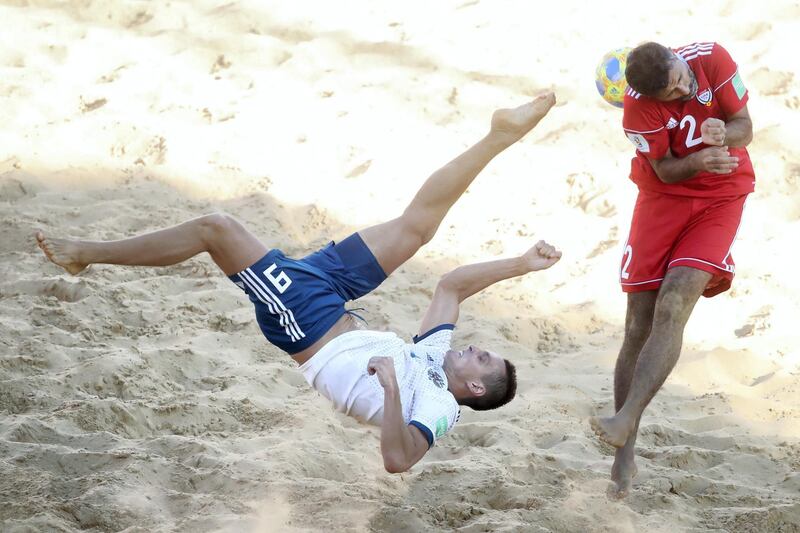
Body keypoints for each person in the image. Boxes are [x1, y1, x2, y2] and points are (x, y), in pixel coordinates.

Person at [36, 92, 562, 473]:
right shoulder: (436, 356)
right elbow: (450, 286)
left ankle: (85, 255)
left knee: (215, 229)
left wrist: (394, 387)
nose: (476, 348)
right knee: (415, 229)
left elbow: (398, 460)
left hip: (307, 324)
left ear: (473, 388)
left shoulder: (441, 407)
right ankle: (499, 136)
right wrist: (520, 263)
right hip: (332, 294)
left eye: (483, 359)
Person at [589, 41, 754, 498]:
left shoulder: (712, 59)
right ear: (649, 96)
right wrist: (698, 159)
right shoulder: (636, 110)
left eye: (682, 77)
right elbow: (663, 172)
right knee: (637, 322)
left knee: (676, 301)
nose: (683, 88)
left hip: (722, 196)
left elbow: (746, 126)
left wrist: (728, 135)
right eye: (672, 93)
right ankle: (625, 454)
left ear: (678, 58)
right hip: (662, 200)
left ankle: (623, 421)